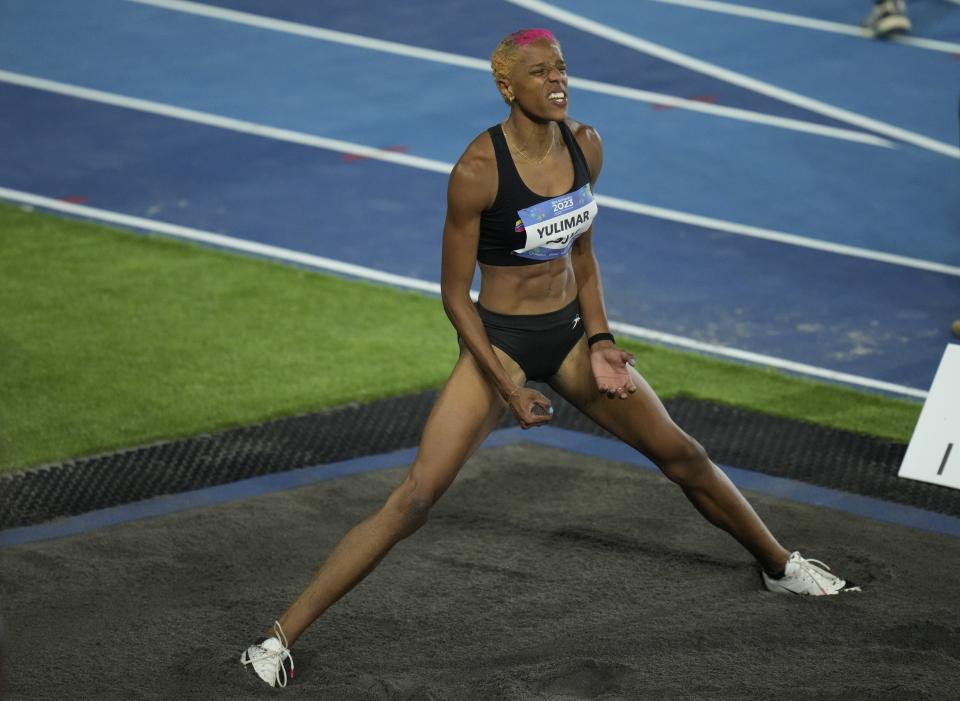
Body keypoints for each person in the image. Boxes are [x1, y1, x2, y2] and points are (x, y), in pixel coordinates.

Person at [239, 28, 860, 688]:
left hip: (567, 337)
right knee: (414, 499)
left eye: (562, 69)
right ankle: (275, 640)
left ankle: (779, 566)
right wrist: (503, 386)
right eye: (539, 73)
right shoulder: (476, 173)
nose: (556, 80)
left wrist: (599, 342)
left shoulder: (585, 144)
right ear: (507, 86)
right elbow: (454, 295)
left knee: (684, 454)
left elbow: (583, 256)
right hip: (499, 344)